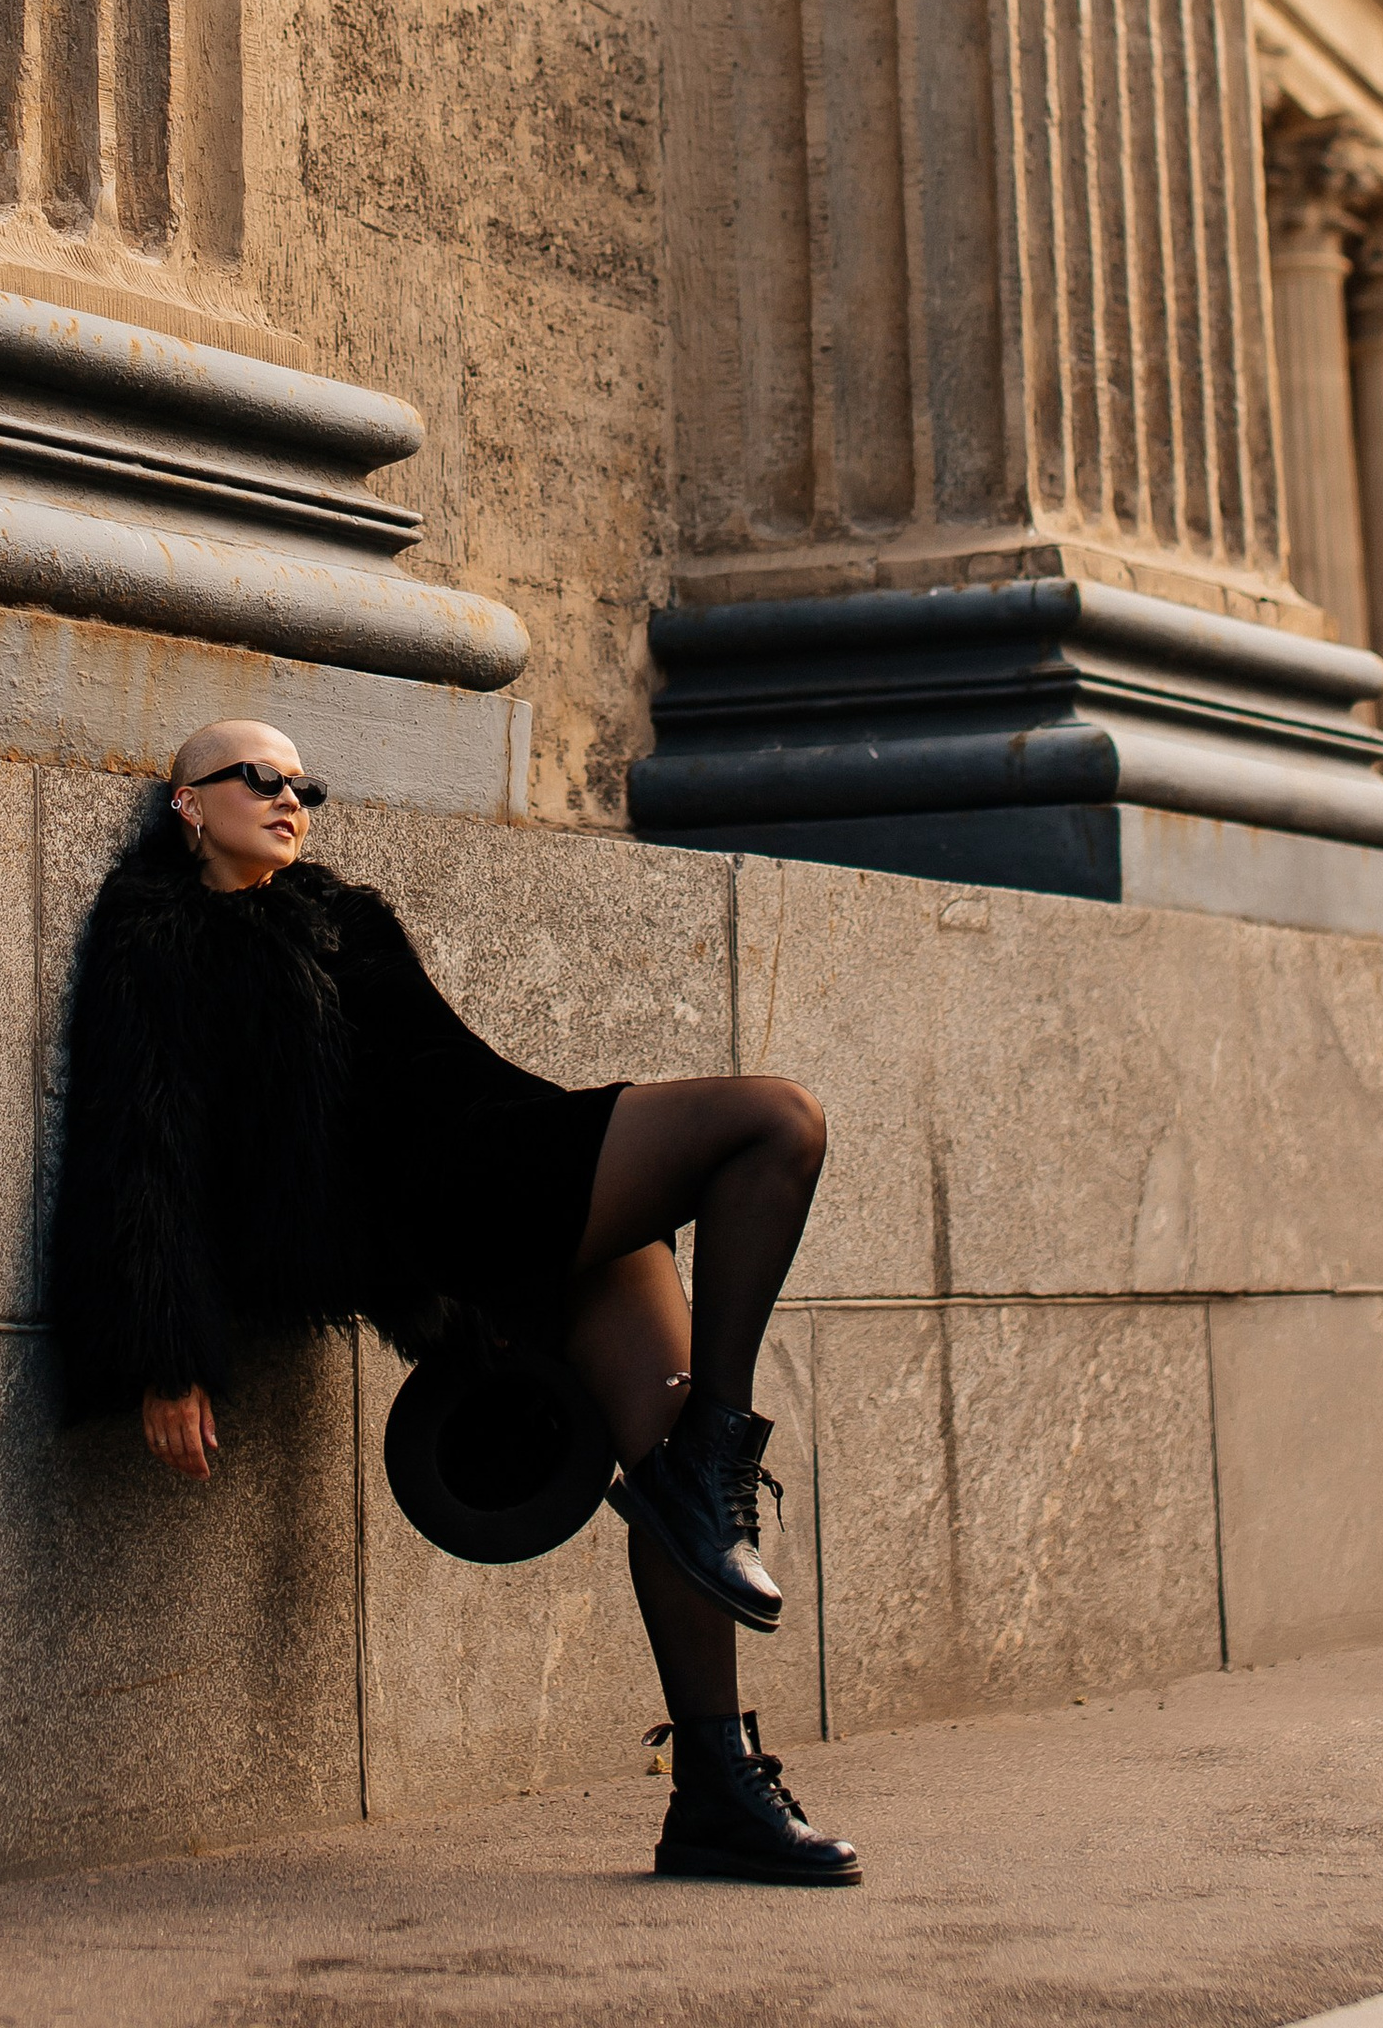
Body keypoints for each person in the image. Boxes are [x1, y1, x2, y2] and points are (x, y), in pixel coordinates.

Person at [48, 716, 855, 1887]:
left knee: (671, 1432)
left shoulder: (345, 916)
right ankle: (710, 1468)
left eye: (302, 782)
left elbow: (449, 1073)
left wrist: (570, 1168)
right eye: (257, 778)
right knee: (774, 1118)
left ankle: (715, 1793)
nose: (287, 797)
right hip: (440, 1209)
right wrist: (163, 1351)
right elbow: (139, 1147)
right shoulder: (158, 944)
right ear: (186, 803)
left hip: (498, 1164)